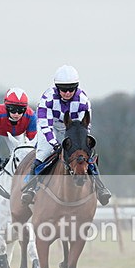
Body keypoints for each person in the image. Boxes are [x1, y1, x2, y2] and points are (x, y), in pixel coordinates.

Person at [21, 64, 111, 206]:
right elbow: (45, 125)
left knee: (86, 154)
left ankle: (101, 188)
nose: (67, 93)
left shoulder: (83, 100)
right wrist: (55, 144)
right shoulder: (47, 98)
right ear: (57, 88)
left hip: (73, 129)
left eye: (71, 89)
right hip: (50, 128)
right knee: (43, 153)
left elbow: (84, 127)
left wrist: (81, 145)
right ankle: (30, 187)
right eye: (63, 89)